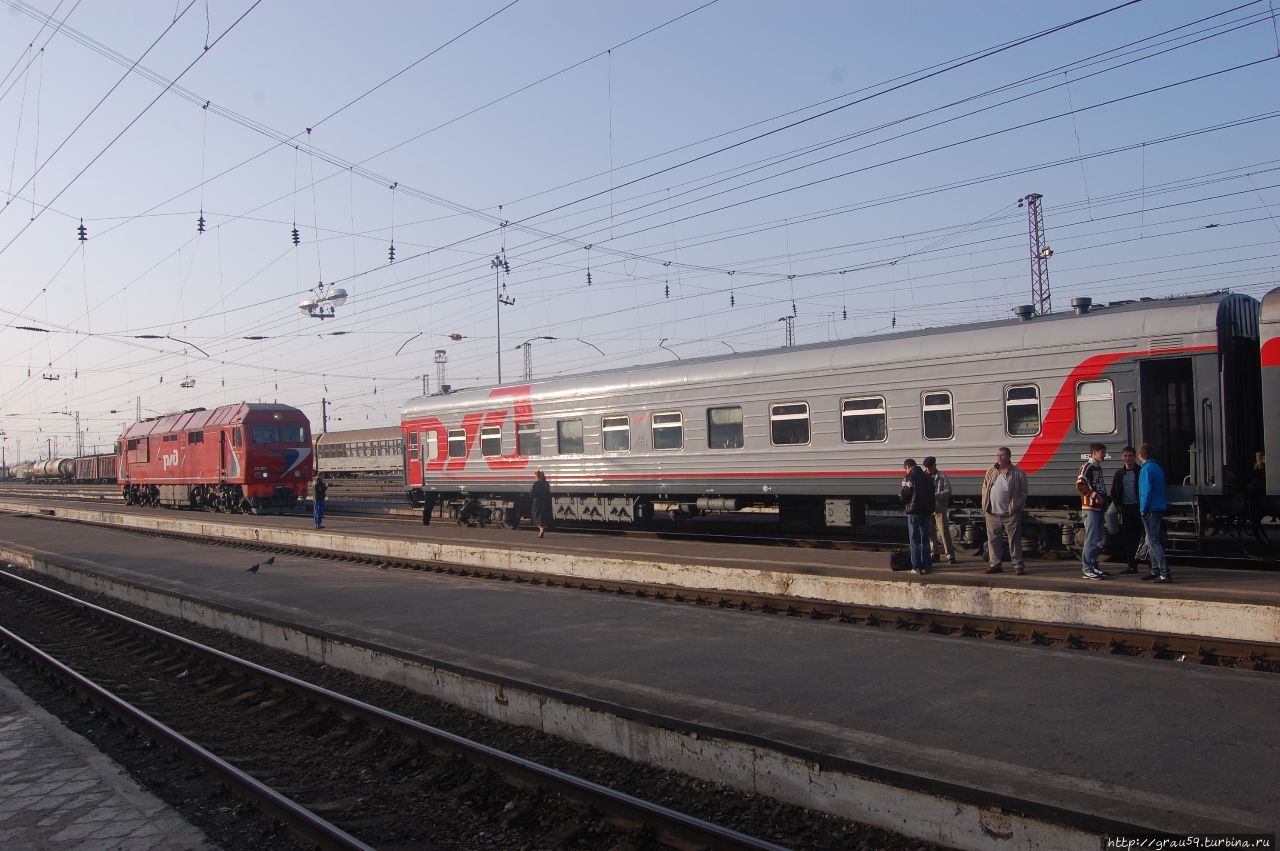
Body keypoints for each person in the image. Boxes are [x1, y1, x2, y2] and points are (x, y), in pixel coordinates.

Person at [980, 447, 1028, 575]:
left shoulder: (1018, 473)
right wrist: (985, 504)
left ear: (1008, 457)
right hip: (992, 513)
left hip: (1010, 513)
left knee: (1014, 540)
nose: (999, 458)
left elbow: (1023, 492)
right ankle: (995, 564)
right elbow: (985, 488)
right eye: (997, 456)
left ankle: (1018, 564)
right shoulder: (991, 471)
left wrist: (1018, 506)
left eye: (1002, 456)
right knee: (993, 540)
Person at [1076, 443, 1111, 580]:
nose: (1104, 455)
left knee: (1096, 539)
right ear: (1094, 452)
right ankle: (1087, 568)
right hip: (1091, 508)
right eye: (1102, 452)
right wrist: (1093, 495)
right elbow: (1080, 483)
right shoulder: (1087, 467)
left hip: (1098, 508)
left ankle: (1093, 565)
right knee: (1091, 539)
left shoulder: (1097, 467)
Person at [1137, 444, 1170, 582]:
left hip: (1150, 509)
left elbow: (1146, 492)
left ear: (1141, 456)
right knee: (1150, 541)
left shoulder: (1146, 470)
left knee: (1153, 541)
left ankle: (1164, 573)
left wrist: (1143, 509)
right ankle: (1155, 569)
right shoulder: (1158, 468)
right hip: (1159, 507)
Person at [899, 458, 935, 575]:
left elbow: (904, 496)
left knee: (914, 540)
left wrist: (900, 496)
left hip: (914, 512)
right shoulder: (928, 477)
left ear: (907, 467)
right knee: (925, 539)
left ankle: (916, 567)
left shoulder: (908, 477)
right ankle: (928, 566)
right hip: (926, 512)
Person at [1110, 446, 1143, 573]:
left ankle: (1152, 565)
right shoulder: (1119, 474)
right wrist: (1117, 504)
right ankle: (1132, 566)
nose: (1128, 458)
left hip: (1138, 508)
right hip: (1126, 508)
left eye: (1130, 456)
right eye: (1125, 456)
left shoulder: (1140, 472)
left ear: (1134, 457)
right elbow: (1113, 491)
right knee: (1129, 538)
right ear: (1122, 457)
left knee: (1144, 536)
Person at [921, 456, 956, 565]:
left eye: (930, 467)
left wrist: (935, 495)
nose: (928, 470)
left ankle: (950, 555)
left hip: (939, 508)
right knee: (931, 533)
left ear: (934, 465)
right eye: (927, 468)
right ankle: (934, 553)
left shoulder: (941, 476)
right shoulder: (923, 476)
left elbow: (948, 491)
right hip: (927, 508)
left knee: (944, 532)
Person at [530, 470, 553, 538]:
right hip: (545, 501)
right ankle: (541, 530)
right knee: (542, 516)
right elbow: (548, 492)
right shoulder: (546, 483)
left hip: (537, 502)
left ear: (537, 476)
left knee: (536, 515)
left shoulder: (536, 484)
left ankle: (541, 530)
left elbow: (532, 494)